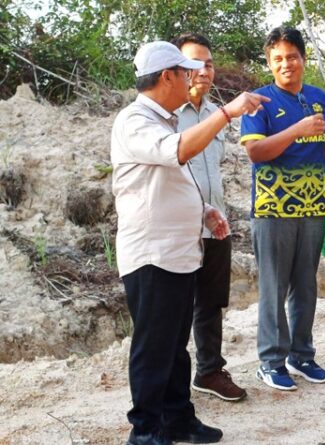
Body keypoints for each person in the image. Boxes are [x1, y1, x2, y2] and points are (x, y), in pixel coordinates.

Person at [112, 41, 267, 445]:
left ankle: (178, 418)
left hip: (179, 253)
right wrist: (227, 112)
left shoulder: (162, 120)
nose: (194, 78)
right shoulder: (135, 121)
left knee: (175, 346)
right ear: (167, 77)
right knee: (154, 347)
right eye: (185, 72)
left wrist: (203, 211)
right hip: (152, 255)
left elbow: (171, 179)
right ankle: (145, 432)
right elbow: (177, 152)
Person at [240, 27, 325, 391]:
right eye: (277, 59)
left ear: (303, 59)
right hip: (272, 209)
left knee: (305, 286)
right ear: (270, 64)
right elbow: (255, 151)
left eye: (292, 56)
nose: (286, 64)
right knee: (274, 287)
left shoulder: (318, 99)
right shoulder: (260, 101)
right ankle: (271, 361)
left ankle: (301, 355)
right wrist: (298, 130)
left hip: (314, 207)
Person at [172, 33, 246, 402]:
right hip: (180, 227)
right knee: (177, 306)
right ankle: (173, 381)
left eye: (210, 63)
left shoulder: (211, 113)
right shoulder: (167, 116)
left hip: (215, 223)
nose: (205, 70)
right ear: (176, 70)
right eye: (195, 63)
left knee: (212, 302)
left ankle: (210, 371)